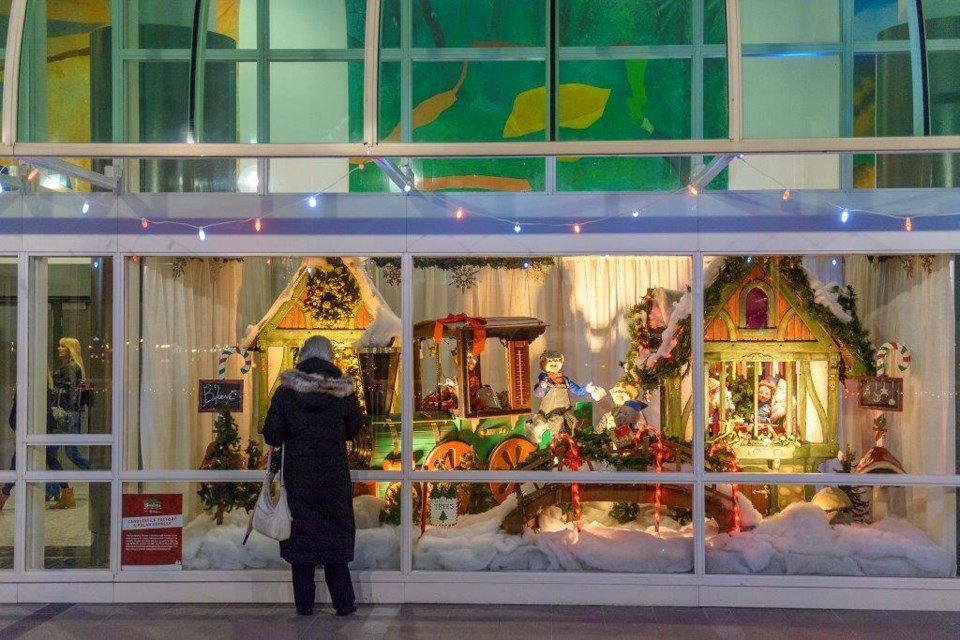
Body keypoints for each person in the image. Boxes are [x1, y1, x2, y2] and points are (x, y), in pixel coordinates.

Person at [262, 335, 363, 617]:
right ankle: (344, 604)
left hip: (299, 477)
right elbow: (353, 429)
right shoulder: (343, 391)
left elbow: (272, 434)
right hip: (333, 477)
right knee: (334, 537)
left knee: (302, 540)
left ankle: (304, 607)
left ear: (302, 355)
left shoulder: (285, 391)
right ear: (330, 357)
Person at [1, 393, 67, 510]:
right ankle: (67, 493)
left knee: (17, 462)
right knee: (50, 461)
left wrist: (19, 429)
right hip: (36, 430)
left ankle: (4, 494)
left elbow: (19, 410)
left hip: (32, 431)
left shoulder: (30, 383)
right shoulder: (38, 384)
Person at [525, 349, 605, 444]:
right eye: (550, 361)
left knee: (573, 422)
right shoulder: (545, 381)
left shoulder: (565, 380)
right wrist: (541, 387)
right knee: (557, 422)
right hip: (550, 415)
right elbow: (538, 394)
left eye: (557, 361)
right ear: (543, 364)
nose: (554, 363)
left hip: (566, 412)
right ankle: (556, 444)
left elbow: (578, 391)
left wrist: (586, 389)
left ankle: (576, 443)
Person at [50, 337, 90, 508]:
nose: (59, 349)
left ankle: (101, 477)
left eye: (63, 347)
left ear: (70, 349)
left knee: (68, 452)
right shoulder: (70, 366)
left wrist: (69, 412)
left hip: (69, 413)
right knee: (53, 452)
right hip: (71, 412)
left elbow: (72, 390)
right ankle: (51, 490)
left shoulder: (71, 366)